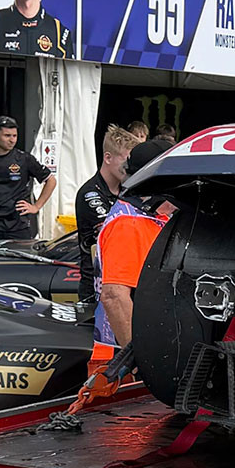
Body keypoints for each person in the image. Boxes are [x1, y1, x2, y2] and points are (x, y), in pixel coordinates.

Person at [90, 139, 176, 372]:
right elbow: (114, 297)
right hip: (122, 364)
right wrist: (141, 363)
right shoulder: (130, 223)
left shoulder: (152, 216)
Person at [75, 125, 135, 302]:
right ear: (108, 158)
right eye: (126, 161)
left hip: (123, 284)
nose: (129, 168)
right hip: (97, 288)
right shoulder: (90, 193)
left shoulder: (128, 190)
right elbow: (118, 234)